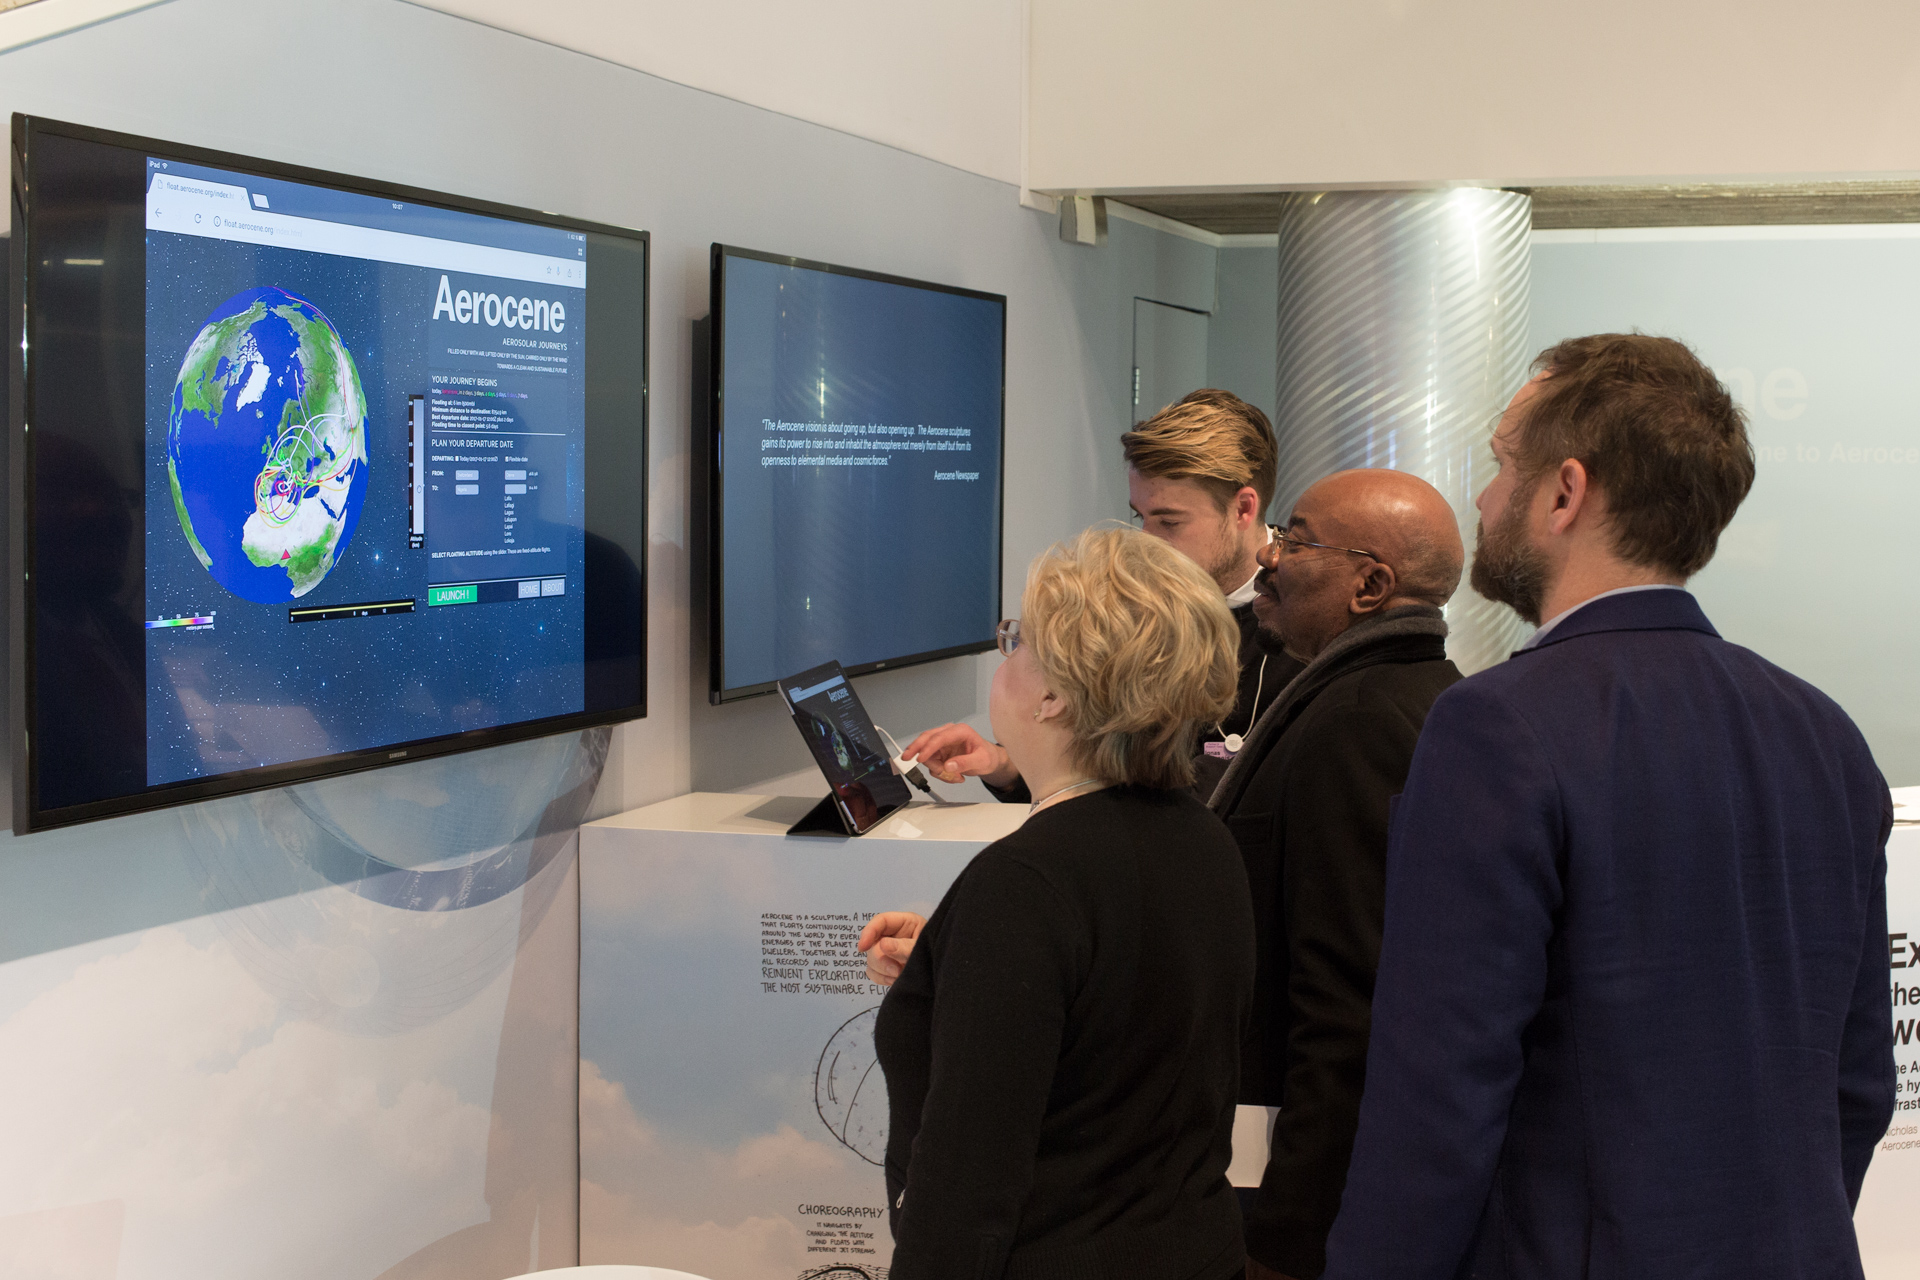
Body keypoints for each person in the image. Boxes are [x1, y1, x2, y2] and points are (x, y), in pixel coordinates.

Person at [1322, 334, 1896, 1280]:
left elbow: (1439, 1103)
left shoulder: (1494, 730)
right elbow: (1856, 1084)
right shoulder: (1827, 735)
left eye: (1503, 463)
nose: (1482, 497)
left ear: (1565, 492)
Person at [864, 526, 1258, 1280]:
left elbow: (965, 1193)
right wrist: (958, 965)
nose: (1003, 659)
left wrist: (988, 957)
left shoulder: (1026, 884)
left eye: (1017, 641)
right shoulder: (1204, 839)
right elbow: (1119, 1019)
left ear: (1054, 695)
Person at [1204, 469, 1464, 1280]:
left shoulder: (1357, 723)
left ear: (1370, 585)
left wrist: (1287, 1239)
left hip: (1300, 1198)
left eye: (1298, 537)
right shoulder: (1405, 696)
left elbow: (1349, 1007)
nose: (1270, 556)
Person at [900, 389, 1300, 803]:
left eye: (1169, 521)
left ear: (1243, 509)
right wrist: (1007, 766)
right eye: (1140, 517)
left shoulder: (1310, 623)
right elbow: (1109, 768)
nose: (1147, 543)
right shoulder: (1139, 602)